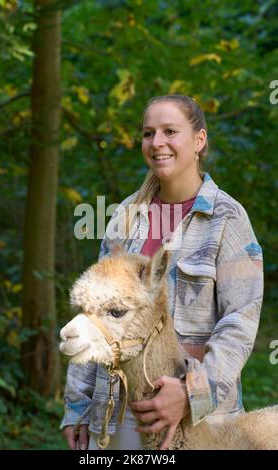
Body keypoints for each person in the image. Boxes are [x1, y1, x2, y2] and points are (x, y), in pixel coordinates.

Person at [61, 95, 263, 450]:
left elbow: (239, 322)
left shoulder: (227, 219)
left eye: (170, 131)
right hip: (117, 415)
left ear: (199, 140)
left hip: (200, 423)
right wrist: (77, 406)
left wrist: (191, 394)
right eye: (148, 133)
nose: (157, 143)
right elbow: (95, 316)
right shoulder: (124, 217)